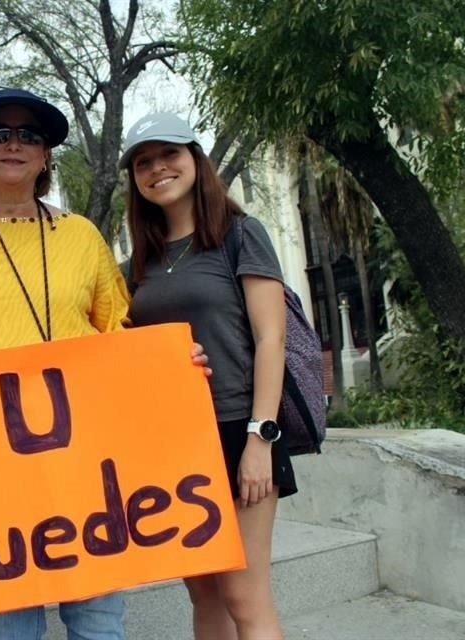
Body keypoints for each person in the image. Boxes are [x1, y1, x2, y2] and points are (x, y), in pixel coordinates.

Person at [0, 87, 208, 640]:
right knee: (8, 623)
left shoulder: (81, 235)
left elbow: (118, 331)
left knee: (97, 618)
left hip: (84, 456)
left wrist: (169, 364)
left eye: (29, 136)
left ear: (45, 156)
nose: (13, 144)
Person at [119, 112, 296, 640]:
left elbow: (272, 340)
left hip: (239, 426)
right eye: (143, 162)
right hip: (170, 443)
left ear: (195, 158)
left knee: (244, 593)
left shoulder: (240, 235)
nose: (157, 168)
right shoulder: (137, 264)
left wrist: (260, 438)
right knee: (203, 592)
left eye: (168, 154)